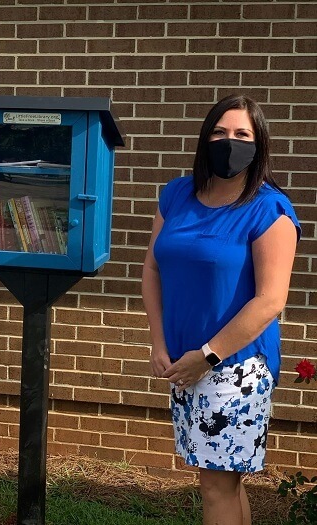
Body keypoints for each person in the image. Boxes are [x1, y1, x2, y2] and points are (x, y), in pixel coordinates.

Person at [141, 94, 300, 525]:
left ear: (259, 143)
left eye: (242, 134)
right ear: (204, 138)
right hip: (183, 363)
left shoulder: (270, 209)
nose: (229, 142)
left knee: (216, 486)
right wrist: (159, 343)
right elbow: (153, 267)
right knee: (222, 482)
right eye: (220, 132)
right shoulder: (176, 195)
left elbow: (270, 300)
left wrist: (207, 355)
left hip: (235, 366)